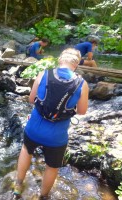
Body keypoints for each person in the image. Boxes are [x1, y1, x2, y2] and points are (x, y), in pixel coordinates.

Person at [13, 48, 89, 199]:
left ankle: (18, 186)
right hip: (56, 135)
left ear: (60, 59)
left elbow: (31, 99)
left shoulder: (44, 74)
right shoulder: (82, 84)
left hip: (34, 127)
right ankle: (43, 196)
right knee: (52, 166)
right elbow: (81, 111)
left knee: (26, 150)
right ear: (77, 63)